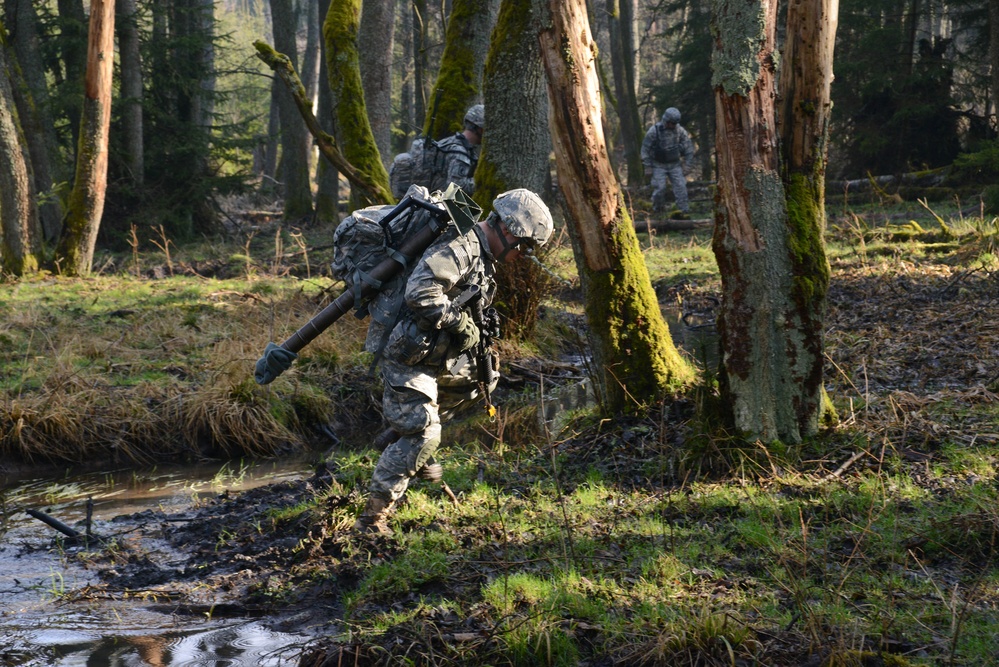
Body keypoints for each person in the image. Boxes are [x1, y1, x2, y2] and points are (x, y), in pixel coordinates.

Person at [354, 188, 554, 535]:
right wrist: (457, 322)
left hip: (432, 354)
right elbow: (421, 292)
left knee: (483, 380)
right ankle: (372, 519)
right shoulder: (462, 248)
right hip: (408, 355)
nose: (524, 254)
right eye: (524, 245)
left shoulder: (482, 254)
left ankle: (407, 429)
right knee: (425, 435)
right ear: (507, 229)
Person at [641, 107, 695, 219]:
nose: (672, 126)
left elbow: (688, 147)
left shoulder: (680, 131)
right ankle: (658, 212)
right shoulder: (654, 131)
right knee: (659, 188)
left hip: (675, 164)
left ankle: (683, 213)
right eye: (670, 123)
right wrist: (647, 166)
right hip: (658, 165)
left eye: (674, 123)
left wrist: (688, 165)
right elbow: (645, 150)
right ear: (665, 120)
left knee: (681, 187)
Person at [426, 104, 484, 195]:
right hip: (439, 205)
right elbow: (455, 188)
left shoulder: (447, 142)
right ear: (480, 129)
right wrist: (481, 181)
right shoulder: (460, 153)